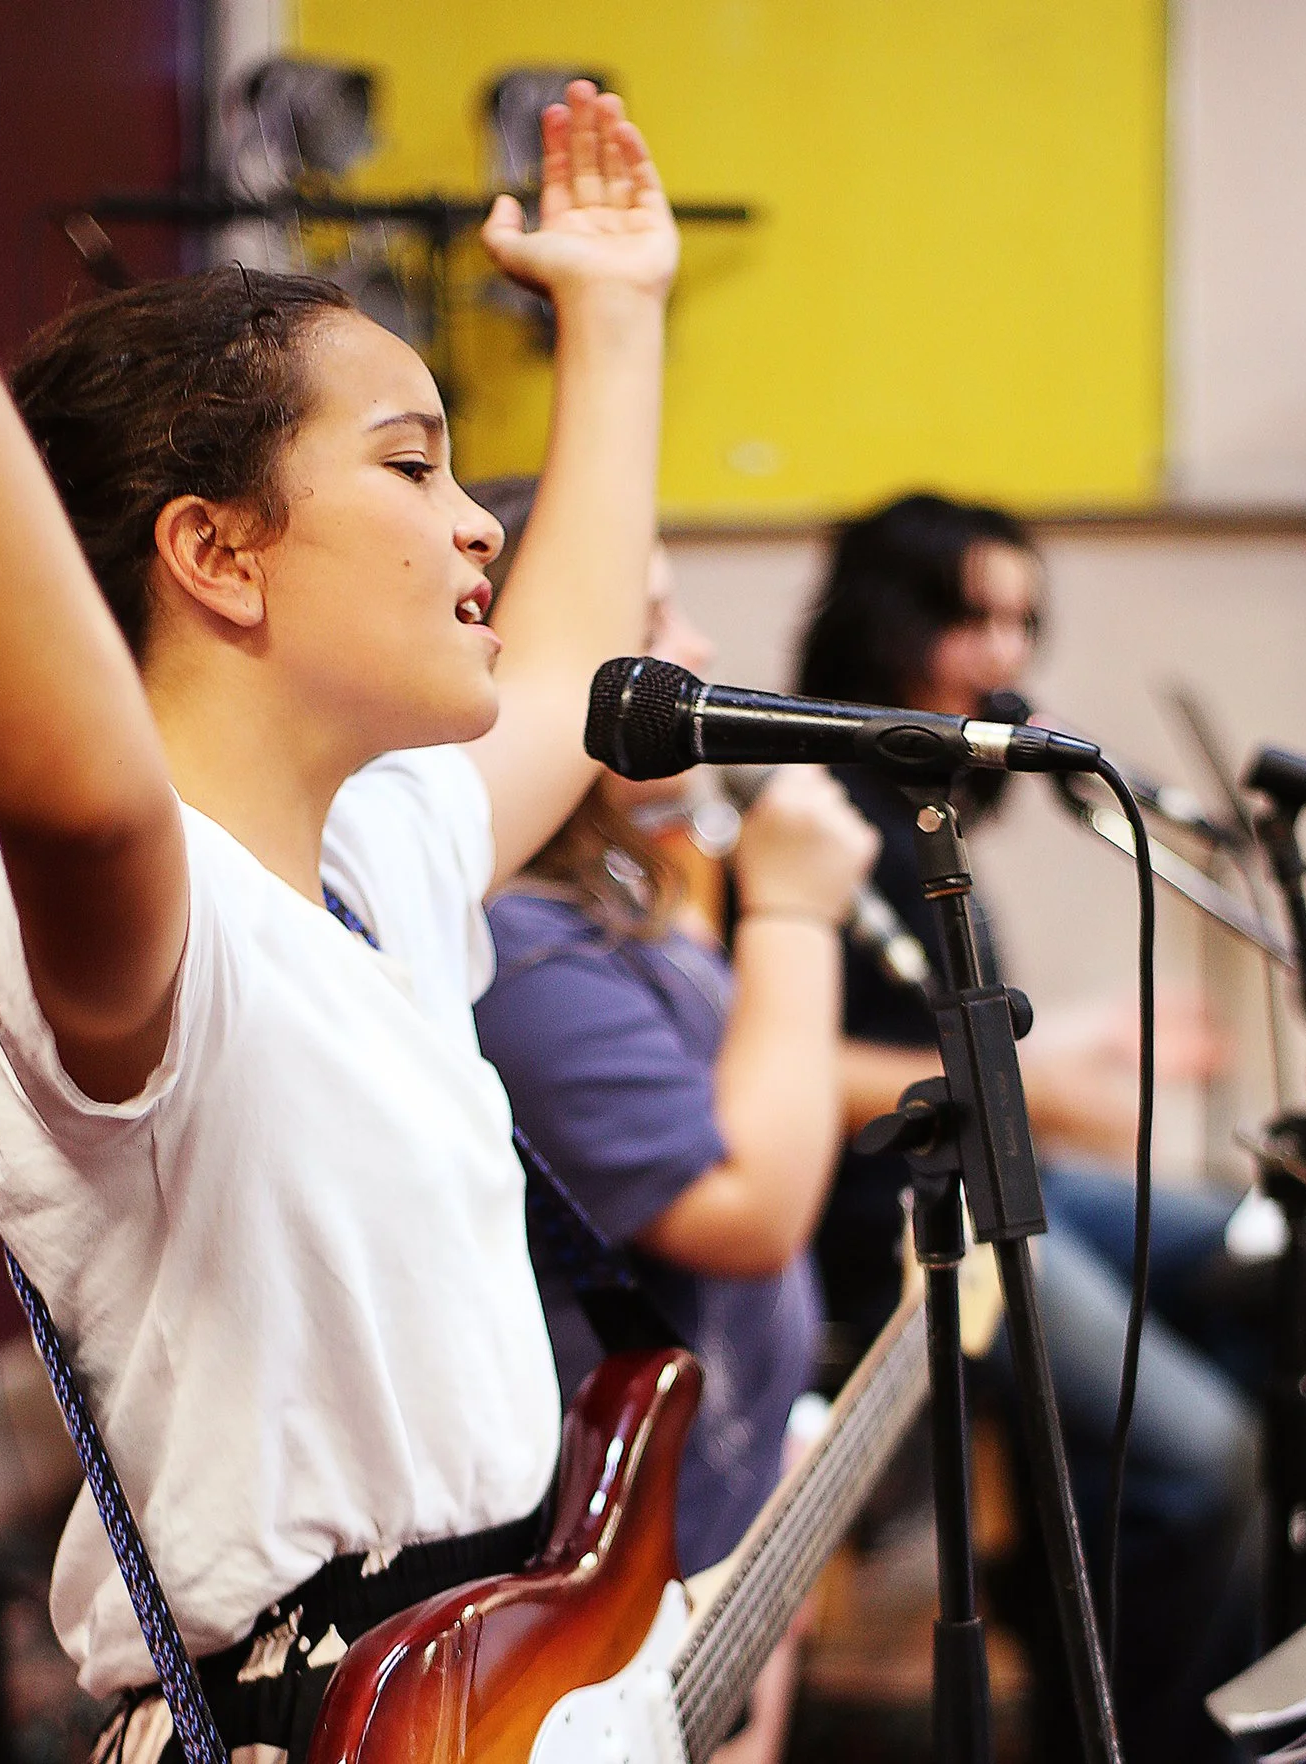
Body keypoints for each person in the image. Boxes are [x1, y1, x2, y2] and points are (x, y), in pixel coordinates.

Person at [0, 7, 675, 1761]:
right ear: (213, 552)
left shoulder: (365, 856)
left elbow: (567, 674)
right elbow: (68, 765)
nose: (478, 518)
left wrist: (616, 312)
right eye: (411, 465)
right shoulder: (131, 916)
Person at [797, 490, 1260, 1764]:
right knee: (1207, 1456)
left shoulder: (920, 799)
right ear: (888, 622)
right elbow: (803, 1064)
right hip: (891, 1220)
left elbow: (939, 1035)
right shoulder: (823, 814)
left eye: (1020, 621)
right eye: (969, 618)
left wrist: (1086, 1042)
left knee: (1263, 1256)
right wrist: (1041, 1091)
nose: (1004, 655)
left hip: (995, 1165)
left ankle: (1118, 1630)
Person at [468, 483, 878, 1763]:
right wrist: (796, 913)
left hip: (728, 1509)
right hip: (631, 1567)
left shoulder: (626, 893)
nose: (693, 652)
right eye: (651, 617)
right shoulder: (518, 946)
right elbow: (746, 1206)